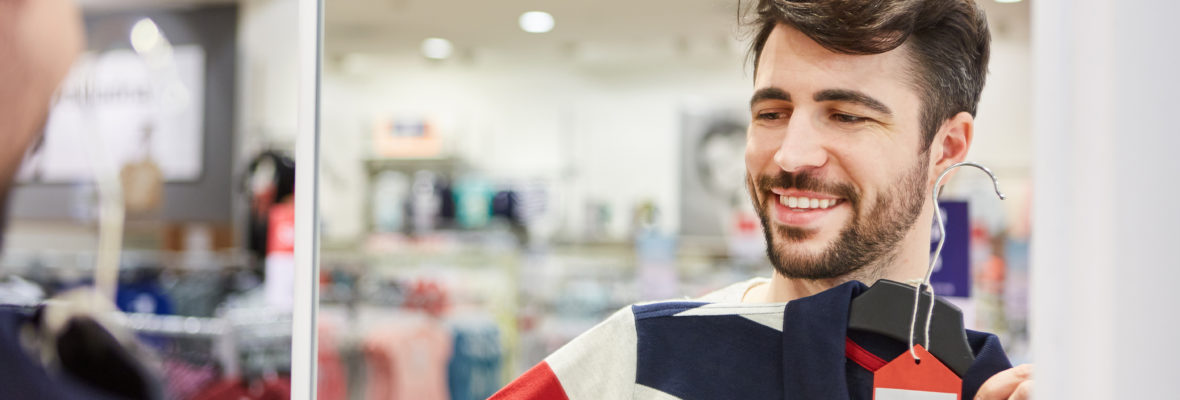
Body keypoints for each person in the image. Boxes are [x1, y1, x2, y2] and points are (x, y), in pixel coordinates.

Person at [492, 0, 1033, 399]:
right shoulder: (642, 359)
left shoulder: (994, 386)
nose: (791, 155)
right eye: (771, 113)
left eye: (846, 116)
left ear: (947, 146)